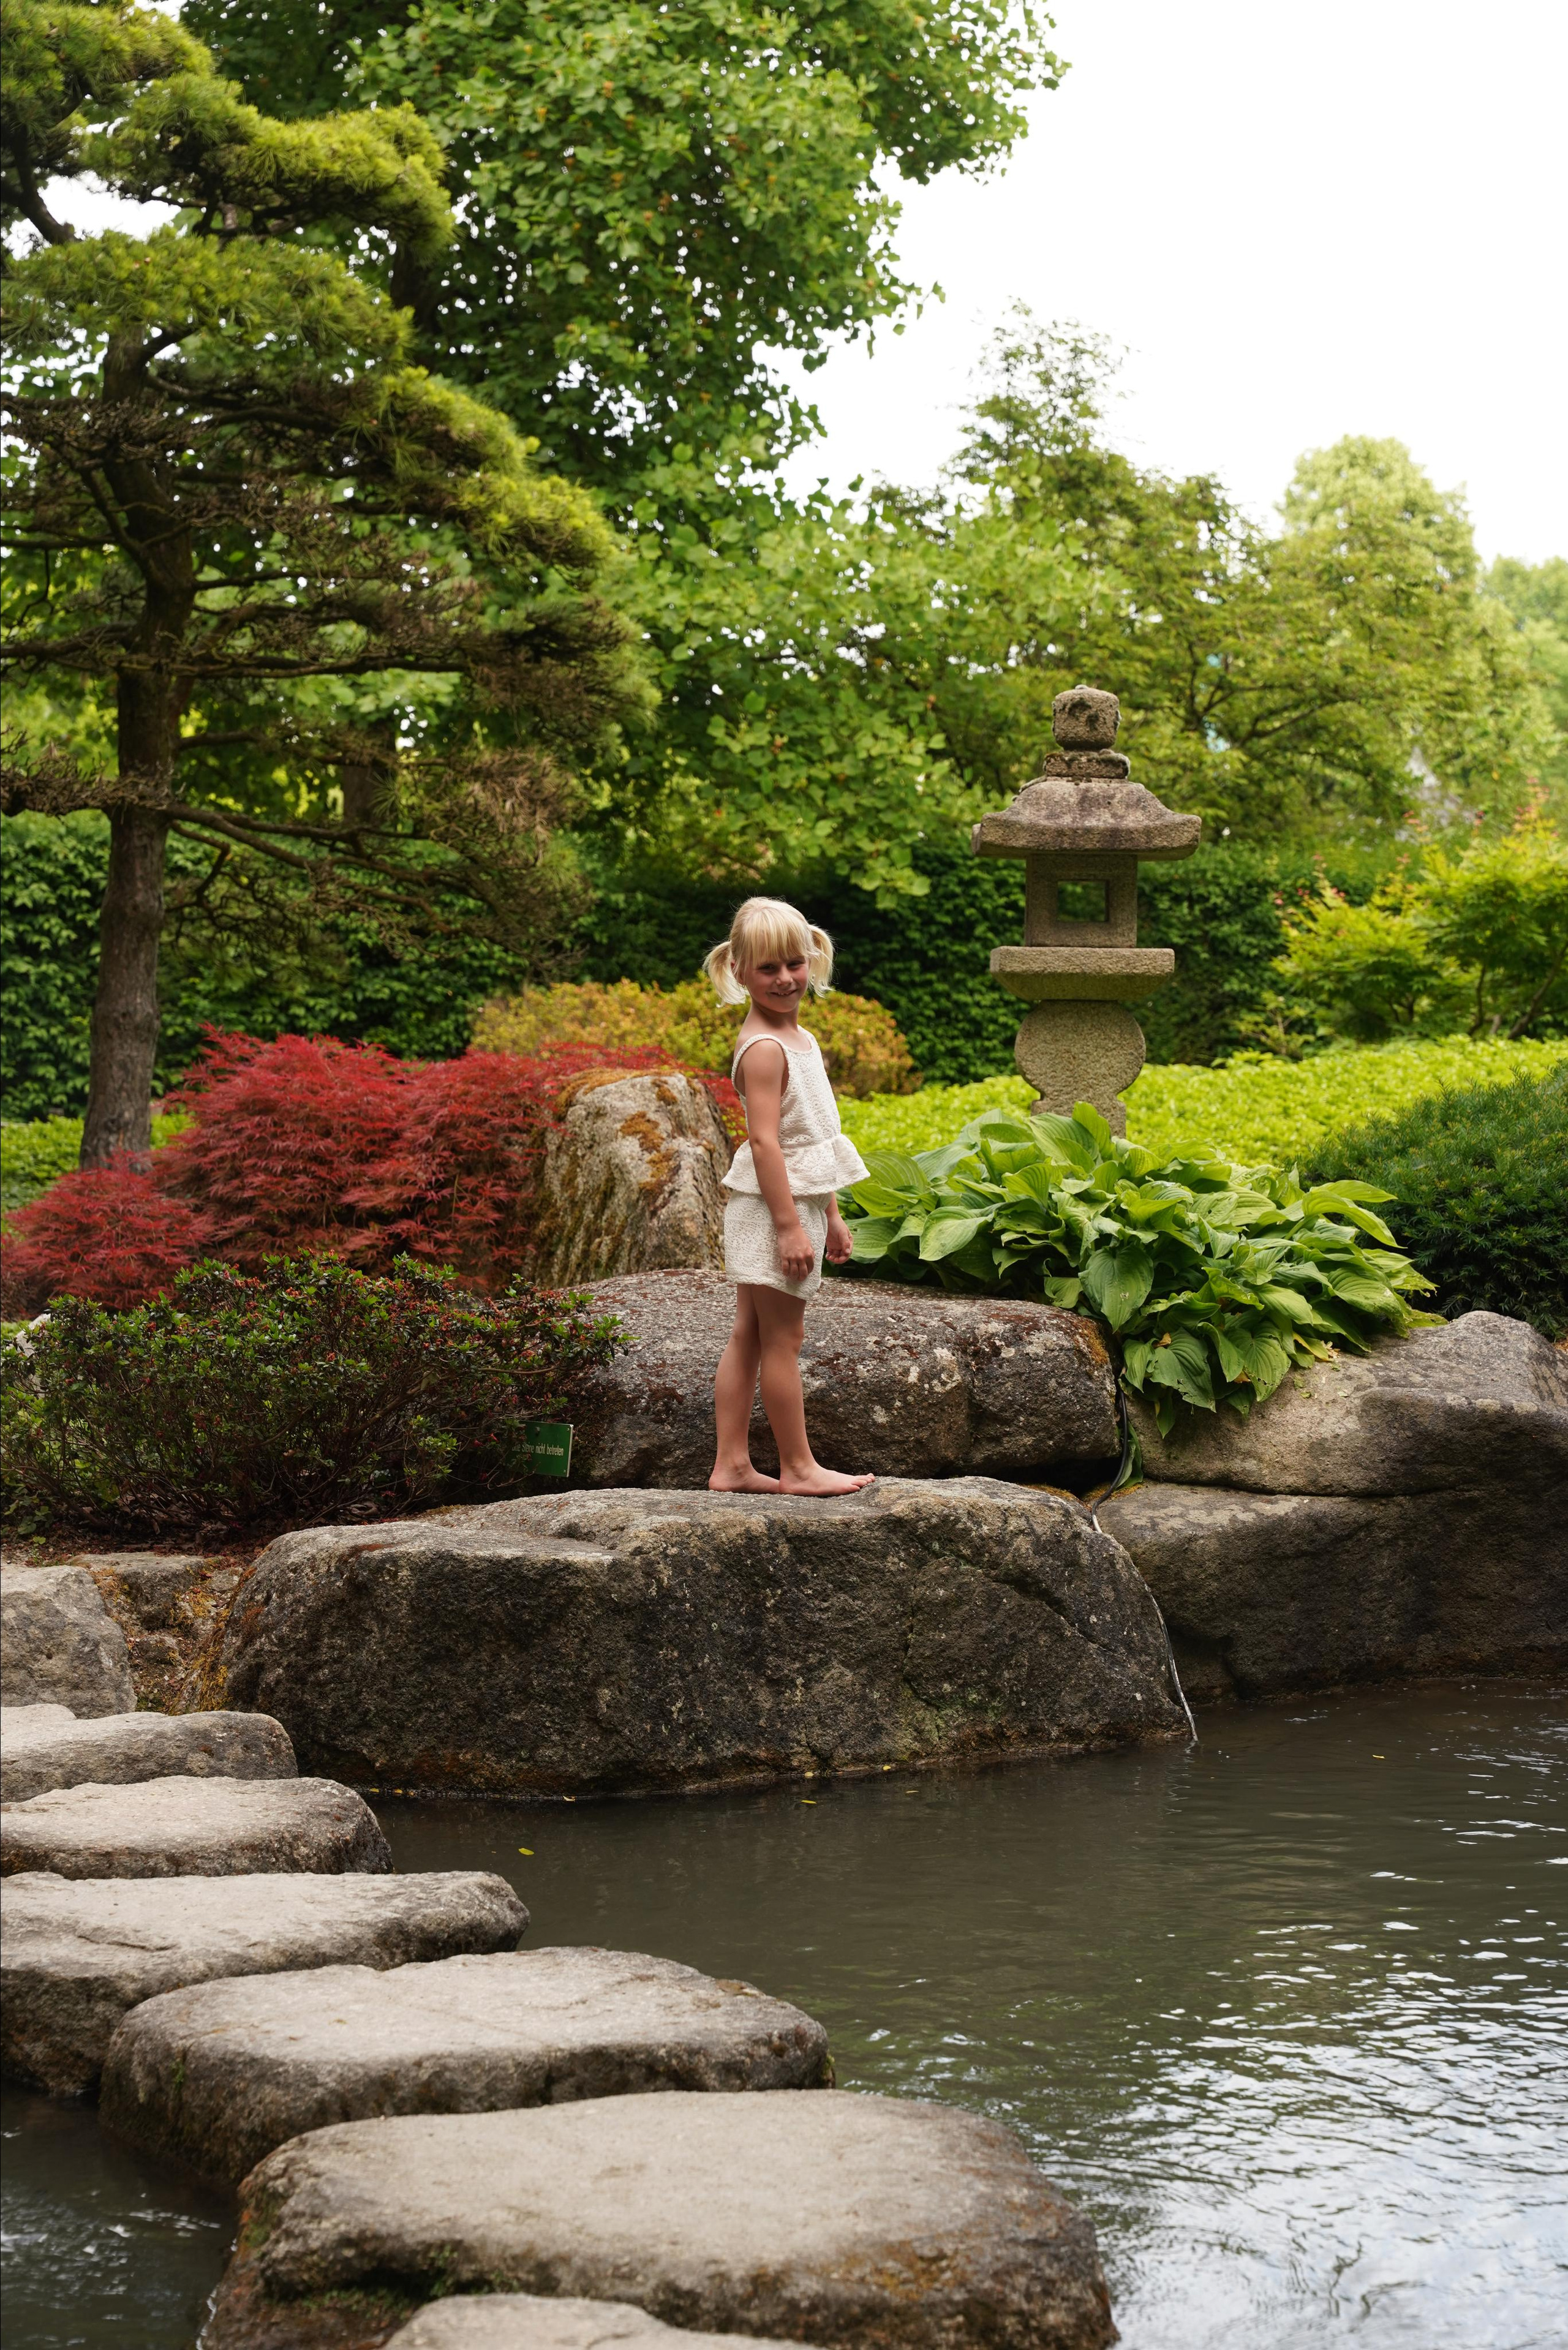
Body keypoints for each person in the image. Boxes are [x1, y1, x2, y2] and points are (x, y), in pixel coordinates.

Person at [704, 897, 876, 1496]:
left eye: (793, 964)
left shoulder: (796, 1036)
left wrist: (829, 1211)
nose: (784, 979)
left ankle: (730, 1465)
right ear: (739, 972)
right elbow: (766, 1143)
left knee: (750, 1333)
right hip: (771, 1207)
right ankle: (797, 1469)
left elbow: (813, 1140)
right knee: (782, 1339)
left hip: (790, 1203)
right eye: (767, 969)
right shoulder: (765, 1049)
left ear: (812, 961)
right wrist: (787, 1226)